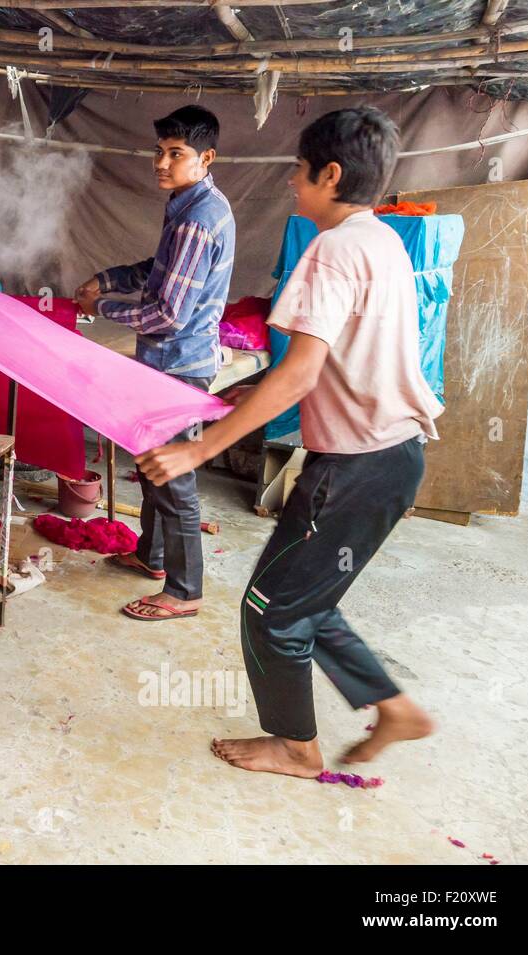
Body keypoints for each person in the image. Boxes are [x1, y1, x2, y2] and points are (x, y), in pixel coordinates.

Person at [136, 107, 441, 777]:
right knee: (304, 598)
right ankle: (393, 707)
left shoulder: (330, 250)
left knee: (268, 610)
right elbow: (323, 357)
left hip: (355, 467)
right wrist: (253, 388)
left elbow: (304, 370)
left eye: (298, 172)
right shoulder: (381, 239)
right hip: (393, 458)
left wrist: (197, 448)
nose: (291, 185)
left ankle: (297, 747)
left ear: (330, 174)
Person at [74, 105, 234, 622]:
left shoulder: (198, 221)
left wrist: (99, 308)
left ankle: (185, 591)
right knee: (153, 469)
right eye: (159, 152)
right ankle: (152, 556)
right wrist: (111, 277)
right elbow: (158, 268)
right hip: (170, 361)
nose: (161, 163)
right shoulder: (188, 204)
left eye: (175, 154)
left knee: (173, 477)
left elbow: (166, 313)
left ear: (205, 157)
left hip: (177, 363)